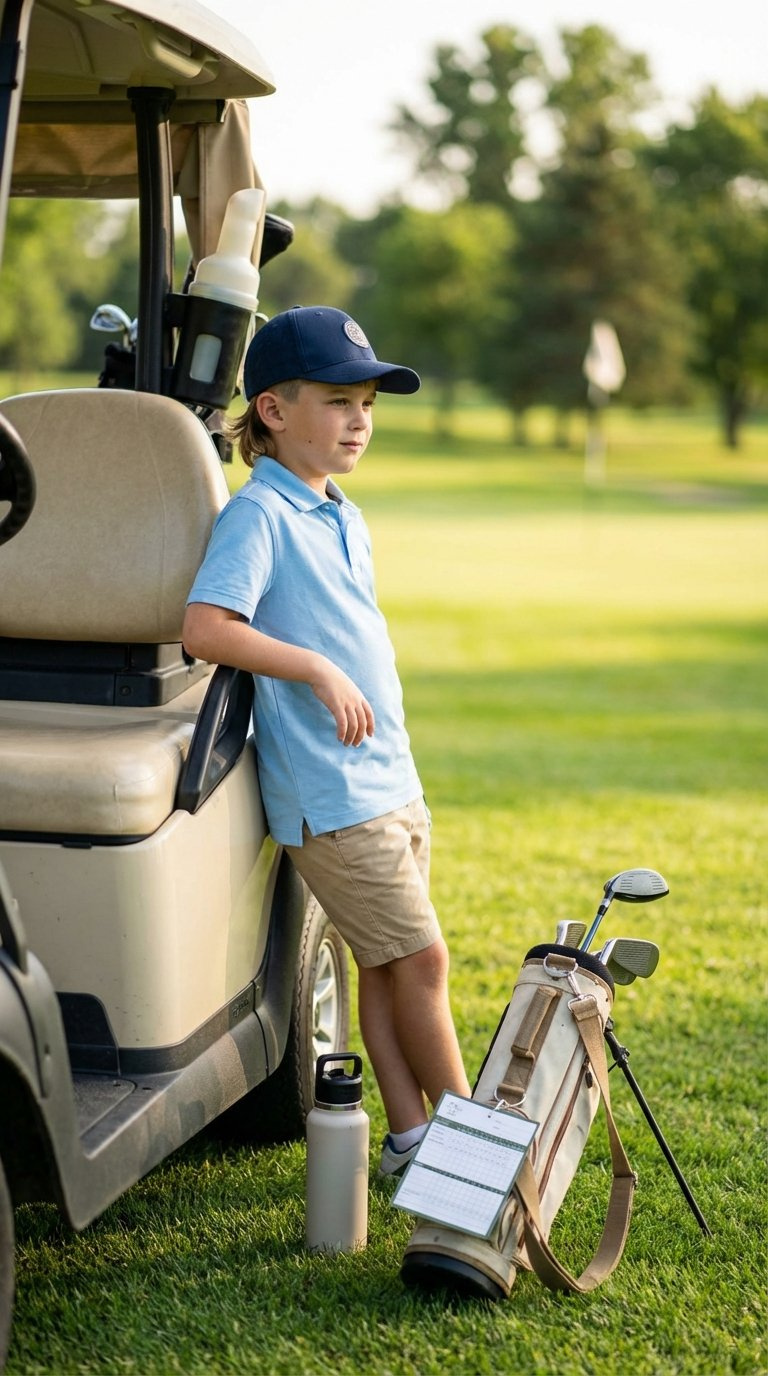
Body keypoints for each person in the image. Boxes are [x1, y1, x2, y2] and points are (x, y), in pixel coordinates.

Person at [183, 305, 470, 1175]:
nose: (360, 421)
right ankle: (472, 1150)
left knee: (386, 967)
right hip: (333, 797)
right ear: (273, 410)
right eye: (341, 401)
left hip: (387, 778)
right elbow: (205, 627)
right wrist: (313, 667)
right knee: (423, 960)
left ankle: (413, 1139)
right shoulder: (259, 516)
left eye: (369, 406)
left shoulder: (340, 510)